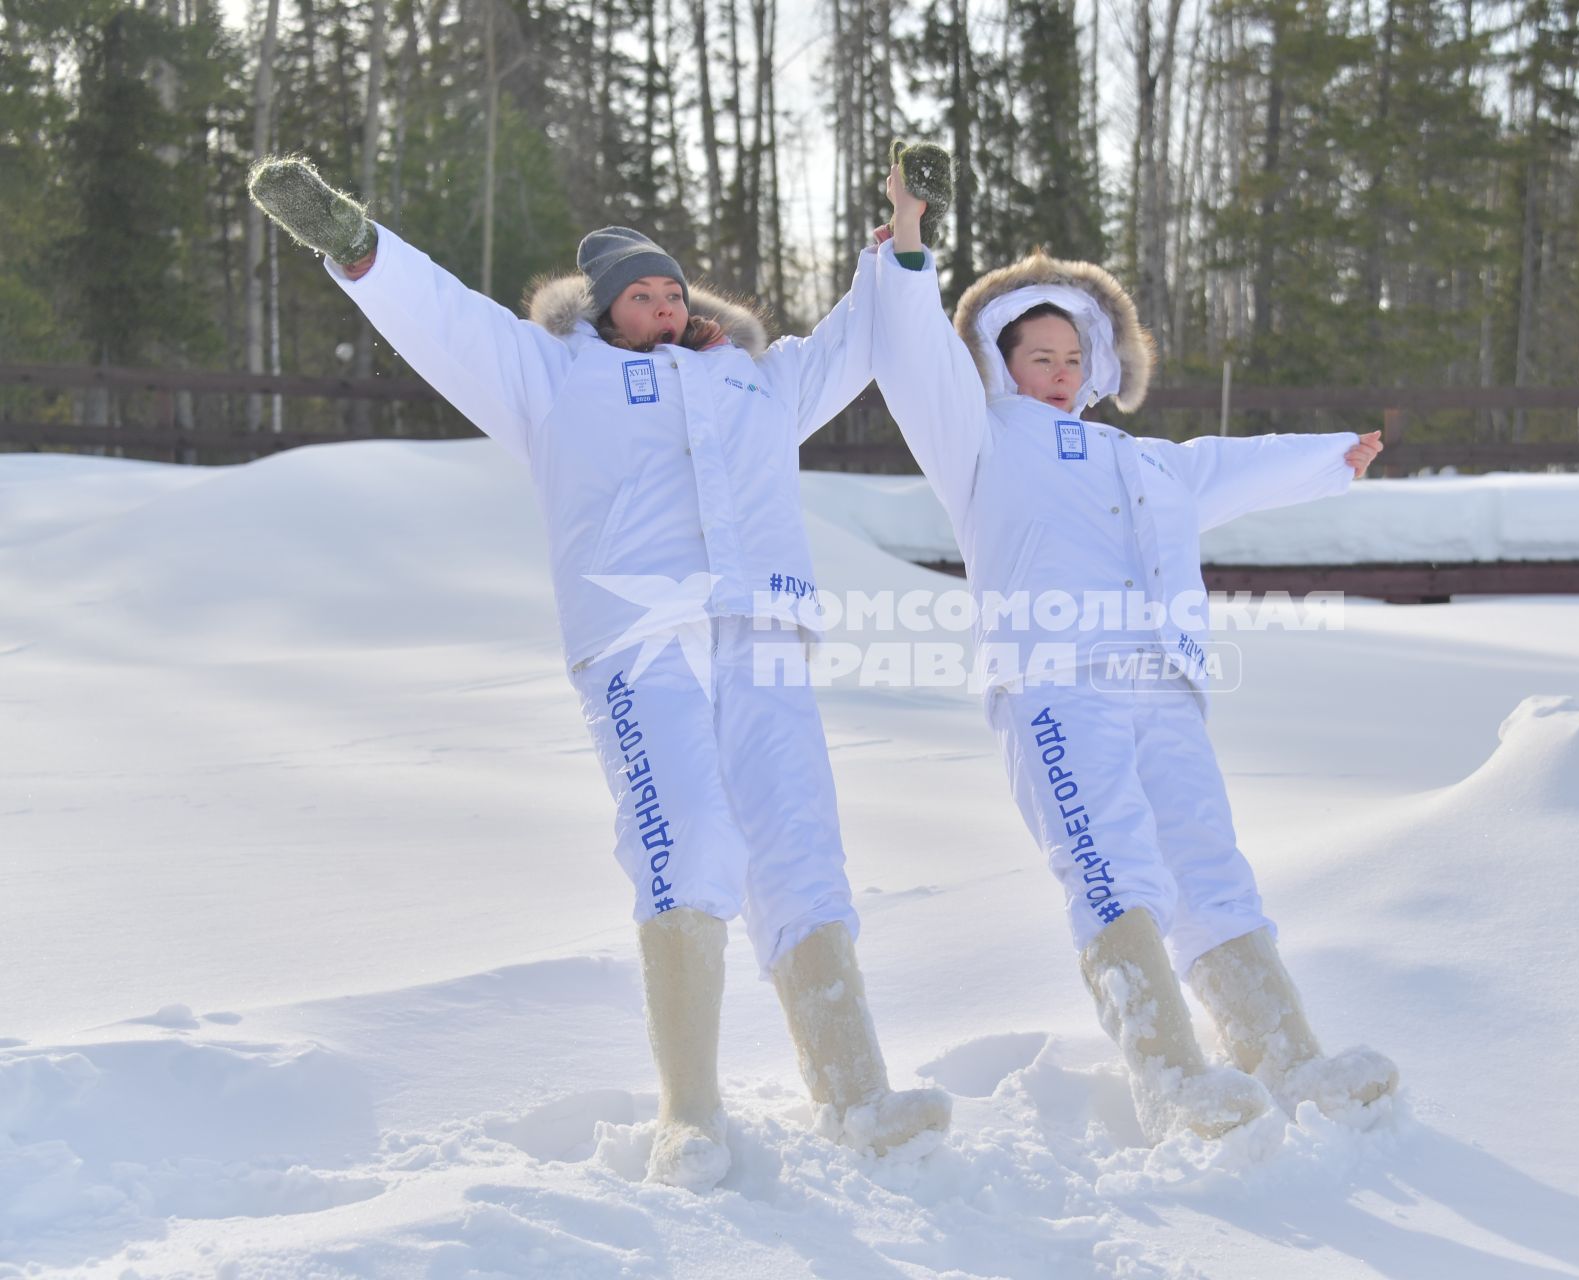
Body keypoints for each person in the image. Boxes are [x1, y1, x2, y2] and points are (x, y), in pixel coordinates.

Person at [245, 156, 949, 1192]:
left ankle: (856, 1092)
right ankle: (691, 1113)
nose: (665, 306)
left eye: (675, 291)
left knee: (802, 848)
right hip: (638, 636)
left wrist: (904, 238)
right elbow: (446, 318)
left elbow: (859, 334)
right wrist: (353, 241)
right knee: (690, 843)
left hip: (761, 629)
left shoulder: (755, 377)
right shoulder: (550, 374)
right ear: (606, 309)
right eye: (643, 295)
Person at [871, 148, 1397, 1143]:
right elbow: (911, 360)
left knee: (1211, 864)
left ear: (1098, 365)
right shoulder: (977, 438)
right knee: (1112, 865)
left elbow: (1223, 469)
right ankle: (1170, 1074)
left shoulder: (1141, 459)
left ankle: (1286, 1054)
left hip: (1163, 683)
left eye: (1073, 358)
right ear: (1000, 364)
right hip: (1056, 685)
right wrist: (908, 241)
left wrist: (1332, 457)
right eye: (1039, 358)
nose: (1060, 374)